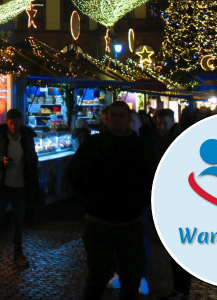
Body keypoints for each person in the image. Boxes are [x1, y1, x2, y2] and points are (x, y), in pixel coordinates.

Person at [66, 101, 154, 300]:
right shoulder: (93, 144)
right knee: (97, 276)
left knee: (130, 278)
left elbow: (152, 177)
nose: (117, 119)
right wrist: (89, 200)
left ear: (129, 119)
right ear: (107, 119)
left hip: (130, 221)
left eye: (122, 115)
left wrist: (140, 201)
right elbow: (73, 174)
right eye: (113, 115)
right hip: (99, 220)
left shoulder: (140, 146)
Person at [0, 107, 40, 267]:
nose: (14, 127)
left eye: (16, 124)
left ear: (21, 122)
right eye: (11, 124)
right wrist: (0, 160)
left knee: (18, 220)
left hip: (20, 186)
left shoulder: (27, 137)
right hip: (3, 185)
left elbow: (31, 157)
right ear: (7, 123)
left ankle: (18, 252)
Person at [154, 108, 191, 300]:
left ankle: (181, 290)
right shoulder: (168, 137)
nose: (160, 127)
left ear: (172, 122)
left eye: (163, 124)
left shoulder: (176, 139)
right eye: (158, 123)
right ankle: (179, 290)